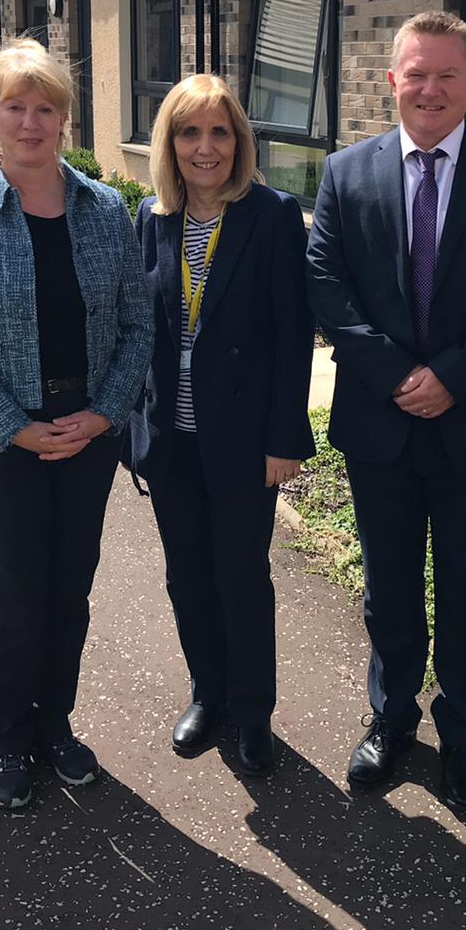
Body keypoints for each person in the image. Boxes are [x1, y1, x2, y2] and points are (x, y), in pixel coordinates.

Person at [307, 11, 466, 807]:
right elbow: (326, 285)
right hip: (381, 424)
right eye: (416, 73)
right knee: (388, 588)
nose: (431, 88)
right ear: (392, 81)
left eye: (447, 74)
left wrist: (452, 374)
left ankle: (463, 733)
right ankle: (391, 719)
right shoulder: (346, 173)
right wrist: (396, 374)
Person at [0, 40, 151, 810]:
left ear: (64, 119)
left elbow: (135, 327)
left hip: (86, 432)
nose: (30, 121)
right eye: (14, 107)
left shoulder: (103, 210)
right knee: (16, 601)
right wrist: (14, 426)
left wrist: (105, 412)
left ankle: (58, 725)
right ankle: (11, 737)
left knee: (70, 593)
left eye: (45, 107)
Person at [127, 74, 315, 778]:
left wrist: (283, 439)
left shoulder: (270, 216)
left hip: (242, 440)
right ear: (169, 145)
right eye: (189, 132)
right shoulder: (151, 218)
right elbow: (134, 328)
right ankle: (208, 694)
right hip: (171, 437)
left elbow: (293, 335)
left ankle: (253, 710)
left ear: (239, 141)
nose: (205, 148)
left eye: (219, 132)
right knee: (188, 576)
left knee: (240, 574)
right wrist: (130, 431)